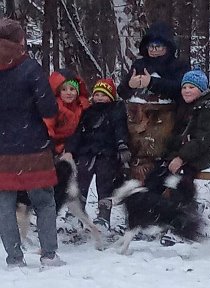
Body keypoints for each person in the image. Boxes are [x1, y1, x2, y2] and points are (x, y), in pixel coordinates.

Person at [0, 18, 65, 267]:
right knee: (44, 201)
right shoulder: (30, 68)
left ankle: (14, 258)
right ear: (19, 41)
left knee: (5, 205)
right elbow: (48, 109)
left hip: (2, 150)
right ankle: (49, 254)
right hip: (33, 147)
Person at [145, 66, 210, 246]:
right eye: (184, 87)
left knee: (181, 183)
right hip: (181, 153)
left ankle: (181, 226)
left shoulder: (209, 109)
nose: (187, 91)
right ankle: (152, 221)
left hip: (199, 155)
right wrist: (168, 156)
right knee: (154, 178)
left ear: (202, 89)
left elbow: (202, 140)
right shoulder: (185, 106)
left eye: (192, 87)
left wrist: (181, 158)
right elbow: (177, 136)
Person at [118, 21, 190, 183]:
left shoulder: (178, 65)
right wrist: (130, 85)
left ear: (168, 46)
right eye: (151, 45)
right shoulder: (139, 64)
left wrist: (153, 83)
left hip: (166, 119)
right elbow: (122, 92)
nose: (154, 49)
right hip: (138, 118)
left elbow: (181, 89)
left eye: (158, 45)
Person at [62, 78, 131, 231]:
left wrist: (122, 145)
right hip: (86, 152)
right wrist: (70, 150)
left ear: (111, 96)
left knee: (105, 185)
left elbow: (120, 129)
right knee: (80, 182)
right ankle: (75, 214)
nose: (100, 97)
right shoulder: (88, 112)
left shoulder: (116, 110)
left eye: (104, 94)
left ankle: (104, 216)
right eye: (97, 94)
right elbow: (78, 133)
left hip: (107, 153)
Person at [44, 69, 91, 155]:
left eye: (72, 89)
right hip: (57, 145)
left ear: (77, 92)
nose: (68, 93)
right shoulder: (55, 107)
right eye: (64, 90)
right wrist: (53, 145)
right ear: (59, 92)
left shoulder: (83, 106)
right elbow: (48, 126)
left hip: (77, 144)